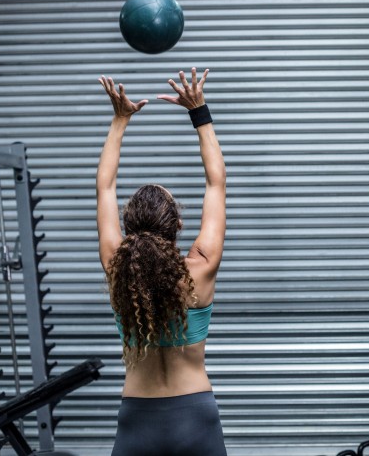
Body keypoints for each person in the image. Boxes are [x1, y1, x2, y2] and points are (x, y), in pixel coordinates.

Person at [96, 68, 227, 456]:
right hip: (196, 416)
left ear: (128, 227)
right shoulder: (200, 267)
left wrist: (120, 120)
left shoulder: (118, 267)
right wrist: (198, 111)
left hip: (137, 419)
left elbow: (104, 185)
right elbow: (216, 181)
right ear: (179, 226)